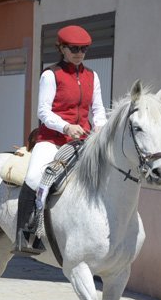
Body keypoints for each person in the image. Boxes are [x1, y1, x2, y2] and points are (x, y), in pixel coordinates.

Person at [13, 25, 107, 255]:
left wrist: (100, 128)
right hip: (52, 139)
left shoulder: (92, 76)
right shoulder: (50, 75)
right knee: (34, 177)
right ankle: (25, 233)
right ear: (62, 48)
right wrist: (65, 126)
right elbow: (43, 112)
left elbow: (98, 109)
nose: (79, 53)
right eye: (74, 48)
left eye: (83, 49)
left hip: (82, 141)